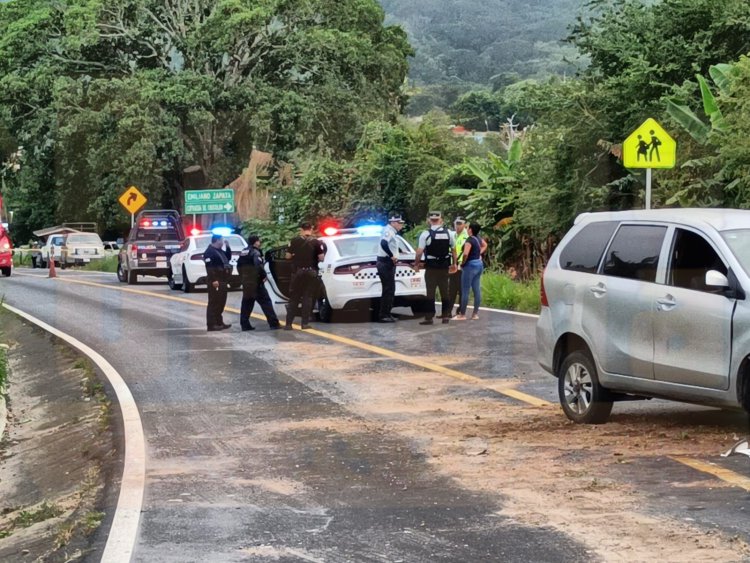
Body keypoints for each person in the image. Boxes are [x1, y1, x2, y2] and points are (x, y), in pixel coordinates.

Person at [414, 211, 457, 325]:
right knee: (444, 291)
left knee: (430, 292)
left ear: (429, 221)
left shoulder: (425, 234)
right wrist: (455, 264)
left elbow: (419, 252)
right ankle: (446, 316)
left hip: (431, 267)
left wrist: (416, 264)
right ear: (441, 220)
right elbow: (453, 250)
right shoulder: (449, 233)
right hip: (444, 267)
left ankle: (429, 317)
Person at [284, 221, 326, 330]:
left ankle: (288, 324)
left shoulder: (294, 241)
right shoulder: (317, 243)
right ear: (311, 229)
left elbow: (287, 256)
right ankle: (305, 323)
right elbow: (321, 258)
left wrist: (295, 255)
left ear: (301, 229)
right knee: (308, 297)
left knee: (294, 298)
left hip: (298, 272)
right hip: (311, 272)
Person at [238, 235, 281, 331]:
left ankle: (244, 325)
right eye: (259, 241)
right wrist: (263, 276)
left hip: (246, 282)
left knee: (246, 304)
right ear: (255, 242)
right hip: (256, 282)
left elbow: (238, 266)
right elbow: (258, 266)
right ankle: (274, 323)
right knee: (266, 302)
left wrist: (243, 277)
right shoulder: (255, 252)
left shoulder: (243, 252)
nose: (260, 243)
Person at [376, 214, 406, 323]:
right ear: (393, 223)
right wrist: (391, 255)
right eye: (399, 223)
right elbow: (384, 243)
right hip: (385, 262)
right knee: (388, 289)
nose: (401, 225)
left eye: (401, 223)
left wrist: (399, 251)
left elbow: (391, 244)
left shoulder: (391, 231)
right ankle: (384, 315)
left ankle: (387, 313)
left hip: (387, 263)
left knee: (390, 289)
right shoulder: (389, 231)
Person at [455, 223, 485, 321]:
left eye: (468, 228)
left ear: (471, 230)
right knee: (477, 290)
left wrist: (463, 263)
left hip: (470, 266)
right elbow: (485, 245)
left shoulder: (469, 240)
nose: (467, 229)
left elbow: (465, 254)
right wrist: (478, 253)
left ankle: (462, 314)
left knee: (465, 290)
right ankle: (475, 314)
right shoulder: (478, 239)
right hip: (479, 264)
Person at [204, 234, 233, 331]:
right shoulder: (209, 252)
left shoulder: (219, 251)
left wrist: (228, 247)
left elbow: (227, 258)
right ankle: (211, 325)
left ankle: (219, 322)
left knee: (221, 302)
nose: (223, 241)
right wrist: (214, 280)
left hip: (223, 279)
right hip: (215, 280)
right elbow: (209, 267)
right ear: (217, 241)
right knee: (214, 302)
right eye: (222, 240)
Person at [446, 217, 469, 318]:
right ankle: (448, 311)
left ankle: (460, 310)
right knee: (451, 290)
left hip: (463, 268)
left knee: (462, 290)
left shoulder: (467, 237)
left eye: (460, 224)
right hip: (453, 267)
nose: (458, 226)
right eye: (456, 224)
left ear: (464, 225)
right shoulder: (452, 236)